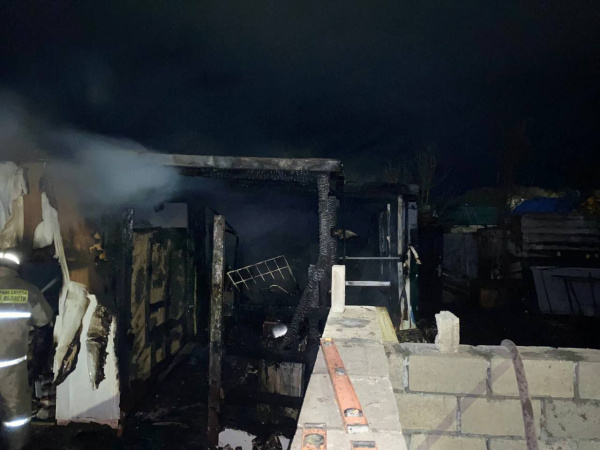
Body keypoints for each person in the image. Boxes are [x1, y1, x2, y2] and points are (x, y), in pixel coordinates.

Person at [0, 250, 53, 450]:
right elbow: (44, 322)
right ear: (16, 267)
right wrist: (37, 363)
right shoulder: (27, 290)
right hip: (11, 369)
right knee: (16, 417)